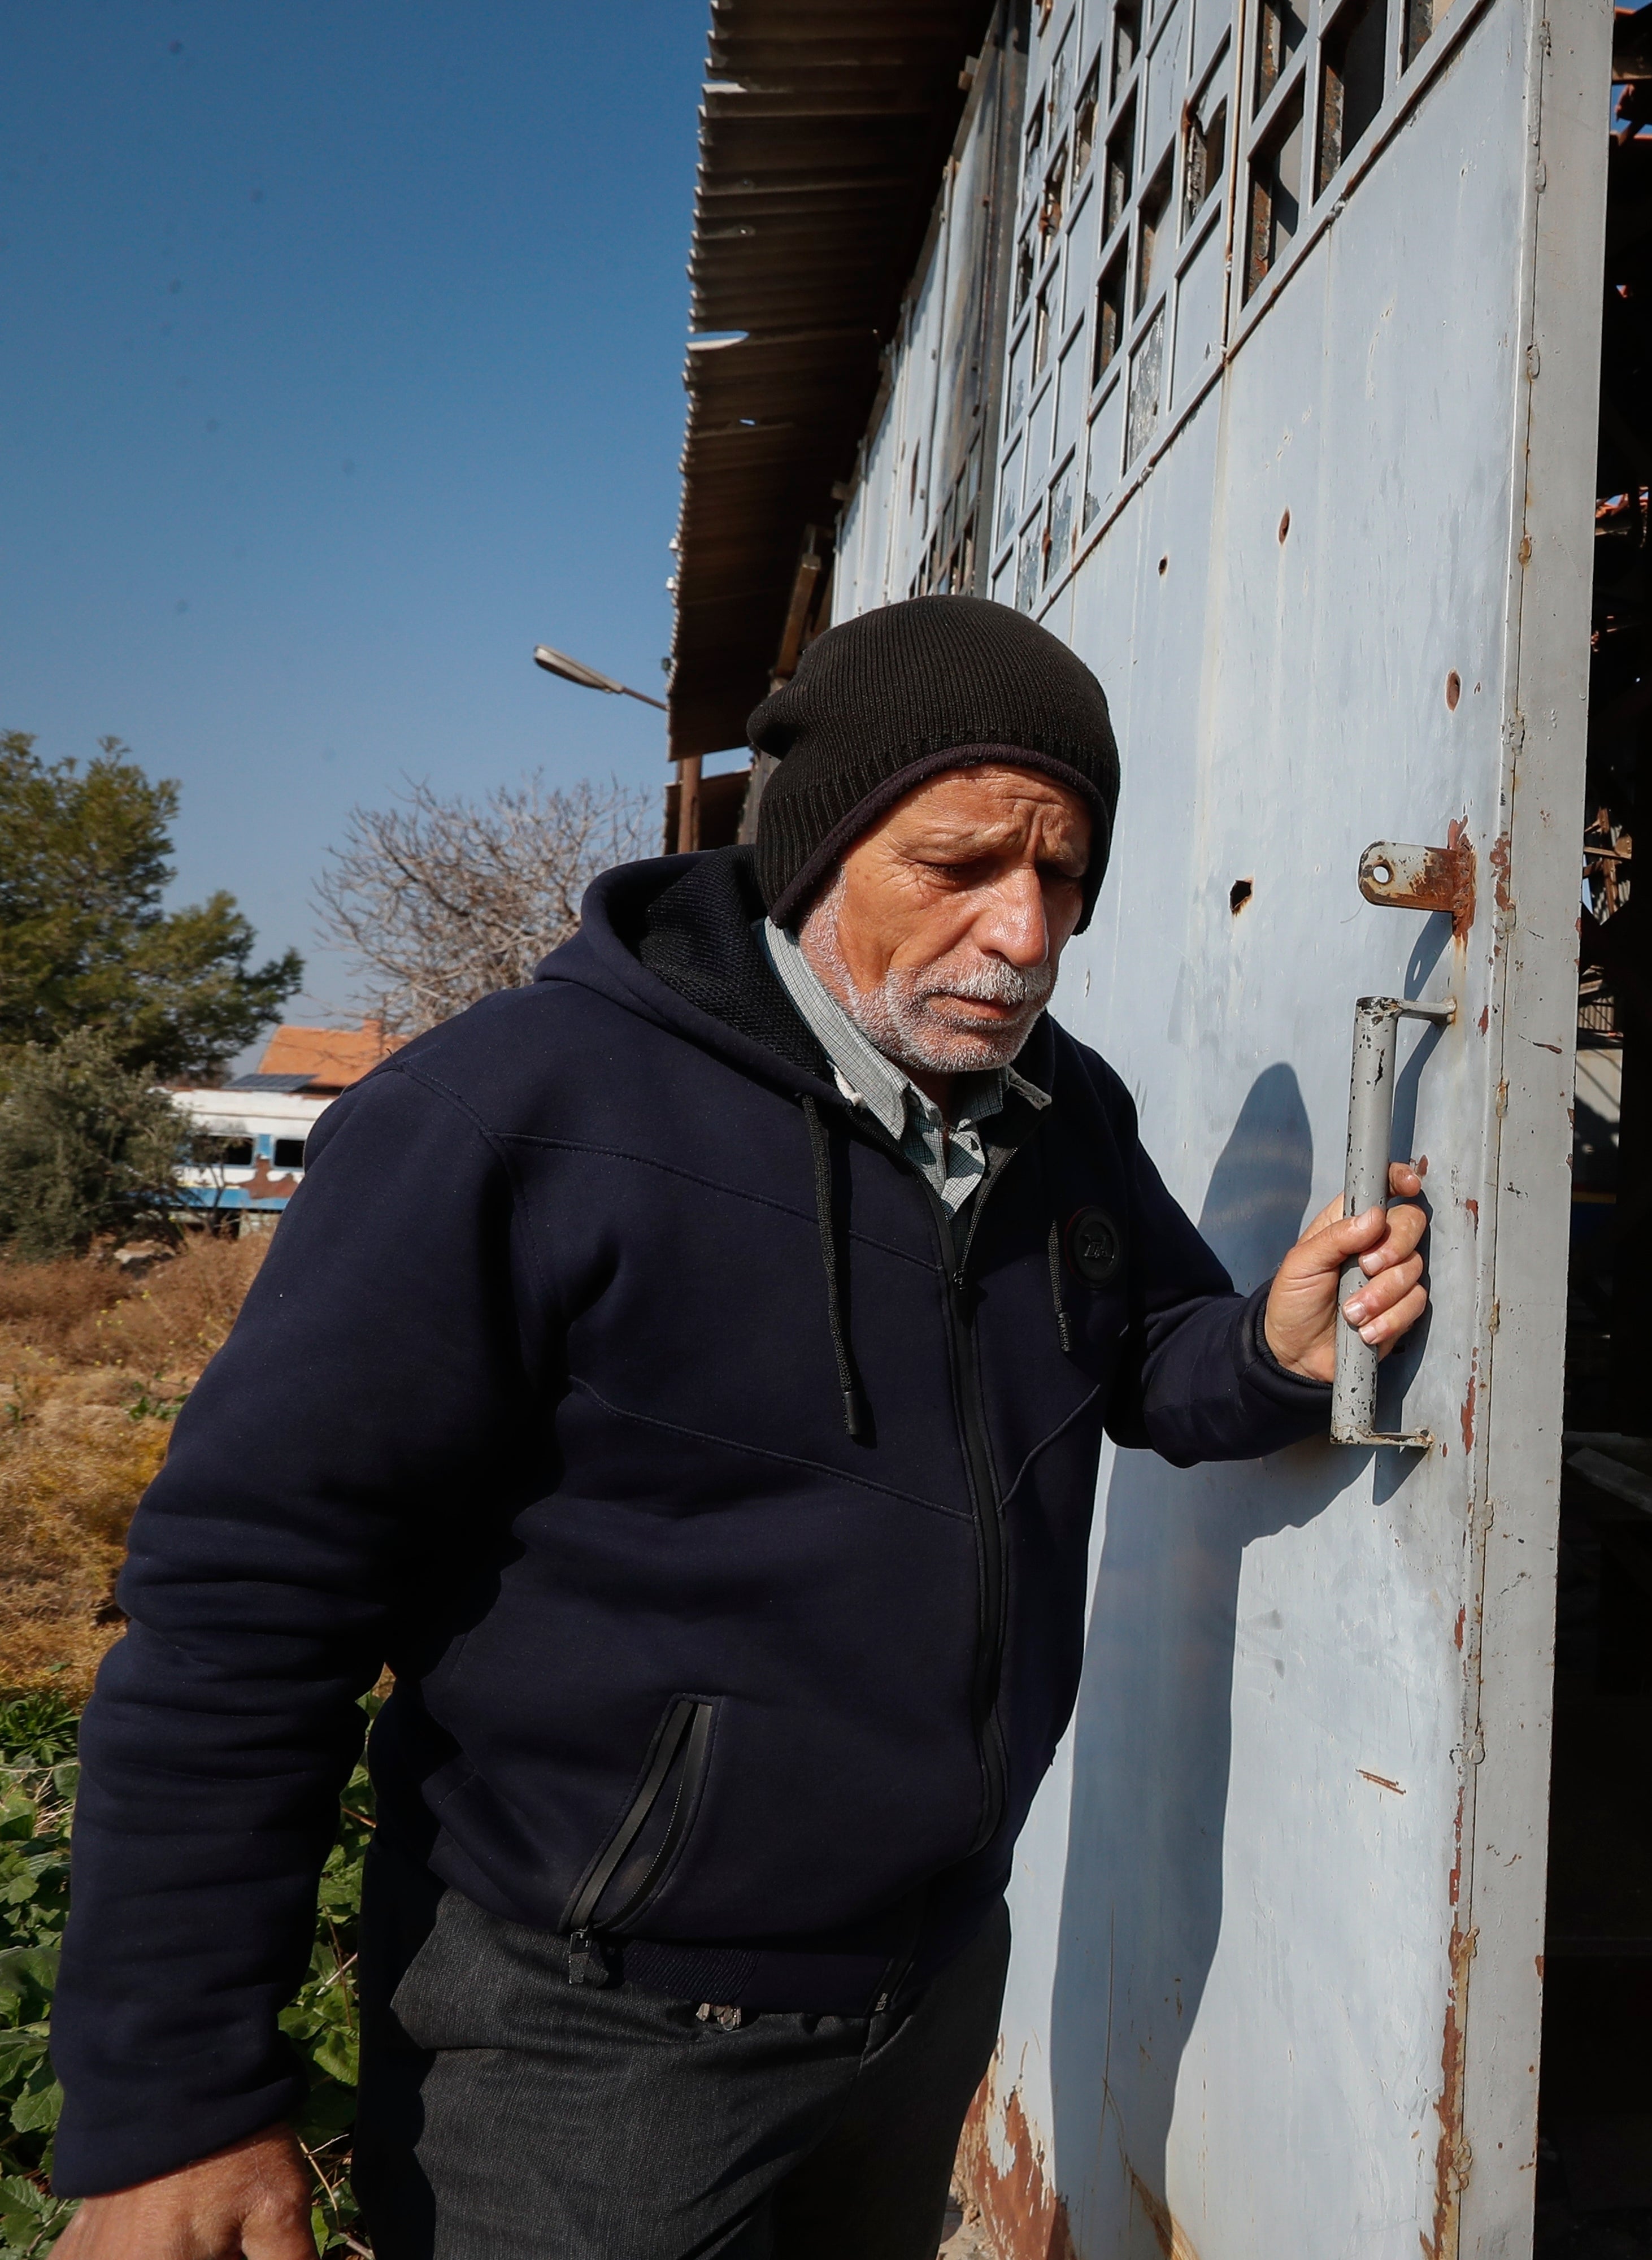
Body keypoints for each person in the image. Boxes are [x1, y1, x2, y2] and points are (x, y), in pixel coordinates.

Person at [45, 596, 1428, 2257]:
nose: (1026, 932)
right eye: (963, 863)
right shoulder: (508, 1116)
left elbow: (1143, 1366)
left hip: (922, 1994)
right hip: (588, 2048)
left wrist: (1272, 1349)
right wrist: (176, 2102)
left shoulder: (1062, 1114)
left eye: (1065, 877)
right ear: (816, 843)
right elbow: (246, 1609)